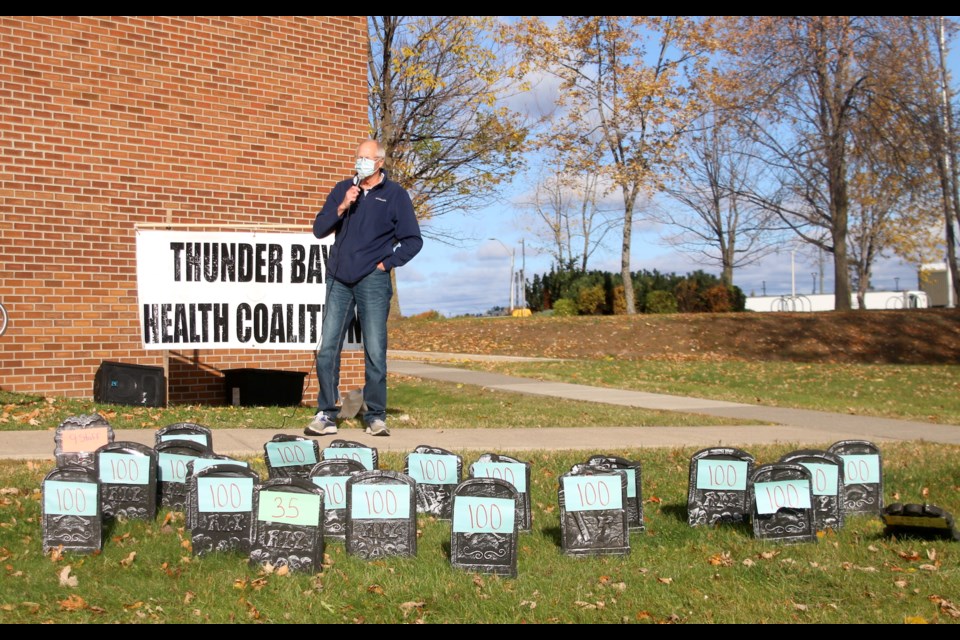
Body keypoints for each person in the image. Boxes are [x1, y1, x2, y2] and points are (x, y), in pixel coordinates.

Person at [305, 138, 422, 437]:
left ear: (379, 162)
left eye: (366, 158)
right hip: (338, 280)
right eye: (358, 157)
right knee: (328, 347)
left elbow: (413, 240)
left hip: (373, 279)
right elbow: (319, 229)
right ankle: (326, 414)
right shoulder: (343, 189)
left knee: (374, 349)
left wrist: (387, 264)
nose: (360, 163)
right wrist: (343, 205)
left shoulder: (395, 195)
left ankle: (375, 415)